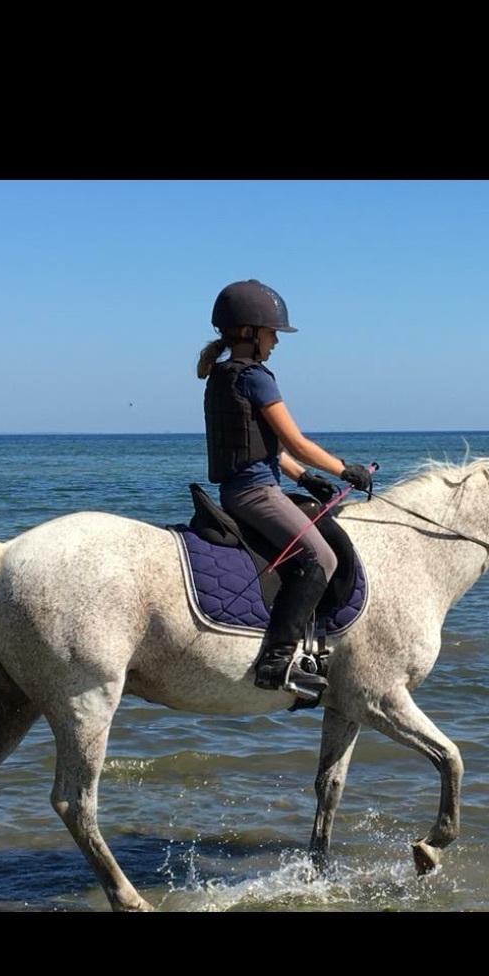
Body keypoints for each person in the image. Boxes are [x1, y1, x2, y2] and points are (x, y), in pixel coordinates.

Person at [197, 279, 372, 692]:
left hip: (243, 490)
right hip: (256, 495)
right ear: (250, 333)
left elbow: (264, 447)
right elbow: (296, 441)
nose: (276, 341)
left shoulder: (222, 376)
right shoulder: (257, 378)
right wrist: (345, 469)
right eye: (272, 332)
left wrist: (306, 478)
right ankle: (277, 661)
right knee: (321, 559)